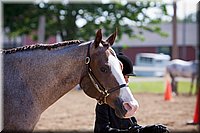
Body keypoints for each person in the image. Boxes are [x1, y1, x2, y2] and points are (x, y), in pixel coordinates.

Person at [94, 53, 169, 133]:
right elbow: (101, 130)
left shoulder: (127, 100)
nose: (126, 81)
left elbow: (133, 127)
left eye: (128, 77)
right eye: (124, 77)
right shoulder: (104, 104)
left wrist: (148, 129)